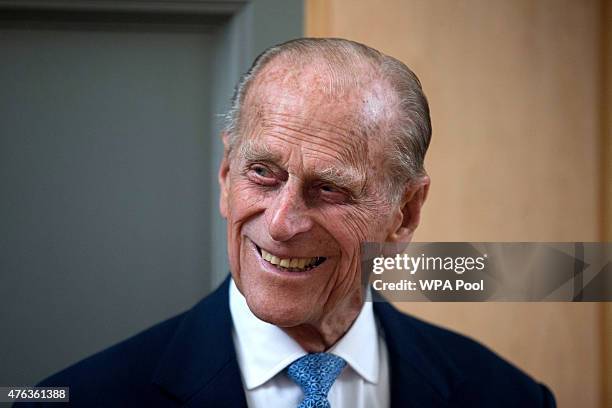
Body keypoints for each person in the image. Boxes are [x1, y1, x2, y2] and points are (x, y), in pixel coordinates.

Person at [22, 38, 555, 407]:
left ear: (405, 213)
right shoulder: (80, 397)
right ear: (227, 173)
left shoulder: (507, 397)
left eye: (331, 188)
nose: (281, 224)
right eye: (262, 173)